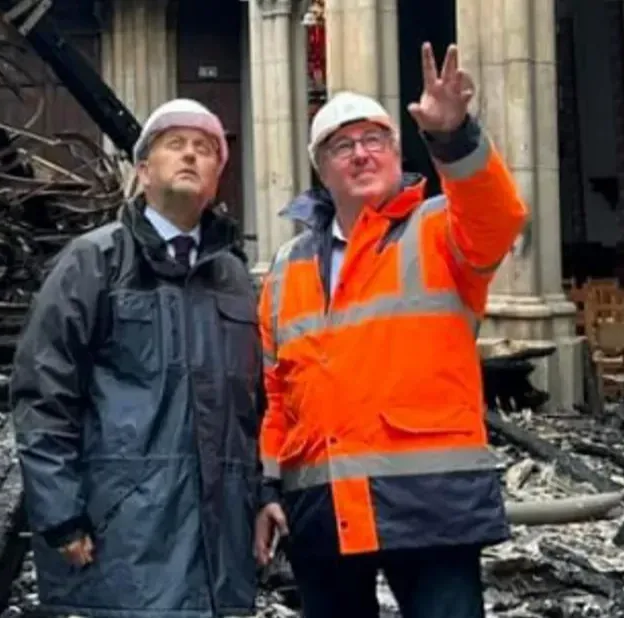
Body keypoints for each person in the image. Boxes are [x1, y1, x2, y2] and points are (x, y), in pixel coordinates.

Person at [252, 42, 528, 618]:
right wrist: (269, 487)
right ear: (321, 169)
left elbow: (498, 216)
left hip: (431, 505)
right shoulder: (286, 268)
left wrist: (454, 138)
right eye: (342, 145)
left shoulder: (439, 230)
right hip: (322, 508)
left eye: (374, 140)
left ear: (397, 154)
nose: (360, 154)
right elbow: (278, 394)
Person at [9, 98, 263, 618]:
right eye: (176, 145)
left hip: (220, 548)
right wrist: (60, 515)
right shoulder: (94, 261)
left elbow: (253, 407)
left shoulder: (234, 278)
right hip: (120, 539)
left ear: (217, 178)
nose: (190, 155)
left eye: (205, 149)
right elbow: (43, 393)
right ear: (143, 171)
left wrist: (262, 499)